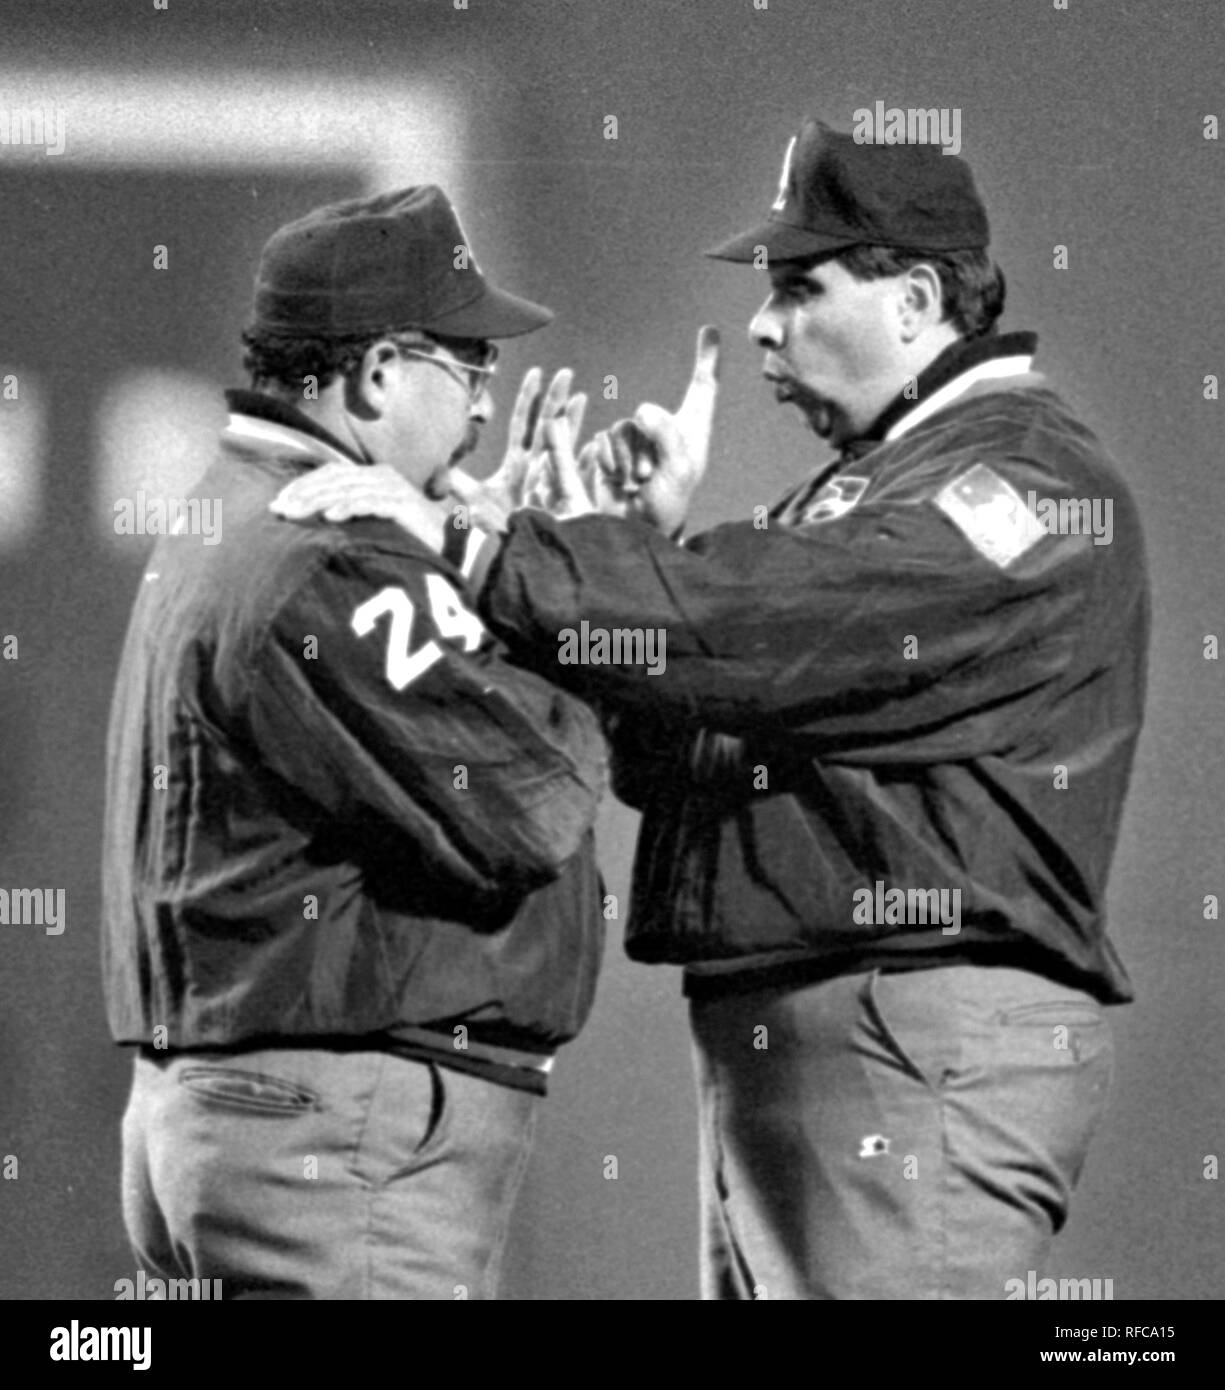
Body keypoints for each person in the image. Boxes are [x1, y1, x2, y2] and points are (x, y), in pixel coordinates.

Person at [275, 120, 1150, 1300]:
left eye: (801, 286)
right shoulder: (867, 489)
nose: (761, 325)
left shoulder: (1026, 484)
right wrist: (628, 560)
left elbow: (776, 621)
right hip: (825, 1041)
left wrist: (489, 548)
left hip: (913, 1038)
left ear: (917, 297)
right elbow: (695, 735)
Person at [101, 185, 608, 1301]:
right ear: (379, 372)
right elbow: (539, 799)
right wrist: (544, 590)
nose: (484, 408)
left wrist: (466, 572)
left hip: (259, 1120)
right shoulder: (332, 545)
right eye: (472, 363)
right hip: (332, 1148)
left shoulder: (235, 507)